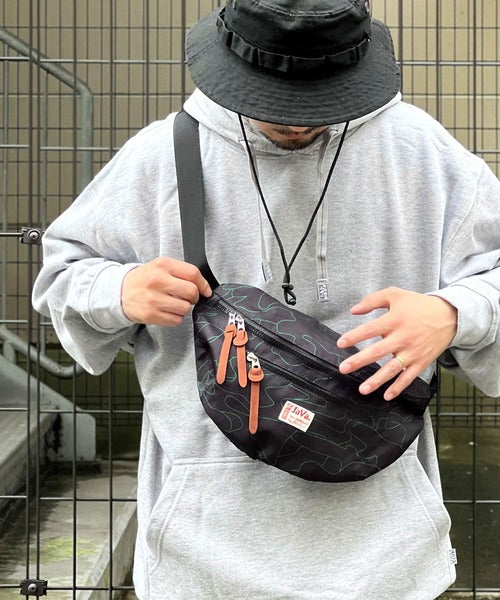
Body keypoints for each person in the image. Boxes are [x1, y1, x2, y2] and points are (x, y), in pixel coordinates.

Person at [32, 1, 500, 598]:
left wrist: (455, 314)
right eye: (276, 101)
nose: (298, 122)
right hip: (202, 556)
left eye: (319, 102)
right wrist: (118, 290)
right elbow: (61, 275)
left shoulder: (421, 154)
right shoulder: (163, 156)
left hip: (387, 558)